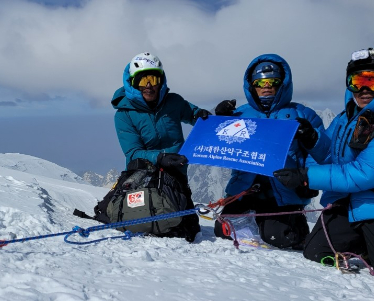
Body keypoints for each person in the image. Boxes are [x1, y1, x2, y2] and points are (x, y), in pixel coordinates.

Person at [273, 48, 374, 282]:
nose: (363, 89)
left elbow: (362, 173)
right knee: (316, 251)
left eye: (373, 80)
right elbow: (331, 156)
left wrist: (306, 176)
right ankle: (368, 244)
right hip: (349, 202)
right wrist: (312, 140)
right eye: (356, 81)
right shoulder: (348, 117)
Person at [213, 54, 326, 249]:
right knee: (222, 229)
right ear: (252, 85)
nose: (266, 86)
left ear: (283, 83)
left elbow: (320, 153)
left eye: (273, 81)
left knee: (278, 238)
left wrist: (308, 178)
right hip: (245, 190)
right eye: (260, 82)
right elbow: (221, 147)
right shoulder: (240, 114)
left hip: (283, 192)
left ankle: (294, 227)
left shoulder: (303, 114)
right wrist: (219, 122)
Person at [111, 52, 211, 242]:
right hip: (144, 176)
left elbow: (196, 116)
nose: (149, 85)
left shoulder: (174, 102)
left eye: (153, 78)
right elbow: (133, 153)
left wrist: (212, 115)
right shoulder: (124, 114)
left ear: (161, 80)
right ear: (132, 83)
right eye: (142, 80)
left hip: (176, 176)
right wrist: (160, 157)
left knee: (189, 228)